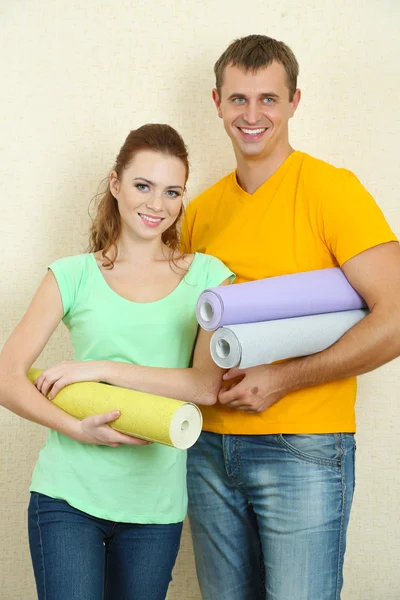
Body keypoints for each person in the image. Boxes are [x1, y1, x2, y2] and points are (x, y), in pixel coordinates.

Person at [180, 35, 400, 600]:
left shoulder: (332, 191)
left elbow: (396, 315)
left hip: (302, 446)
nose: (252, 116)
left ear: (295, 101)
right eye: (238, 100)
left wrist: (283, 378)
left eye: (268, 99)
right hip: (206, 450)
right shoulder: (198, 212)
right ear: (217, 102)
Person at [0, 123, 233, 600]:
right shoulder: (71, 276)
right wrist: (75, 429)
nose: (156, 205)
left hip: (155, 507)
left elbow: (205, 387)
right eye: (142, 186)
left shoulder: (209, 277)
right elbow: (7, 378)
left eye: (172, 192)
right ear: (115, 184)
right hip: (67, 496)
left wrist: (101, 368)